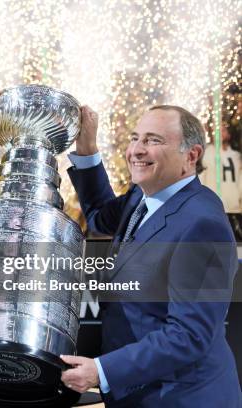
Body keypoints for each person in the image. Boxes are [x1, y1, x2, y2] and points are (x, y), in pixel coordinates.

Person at [60, 105, 241, 407]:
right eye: (135, 138)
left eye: (153, 140)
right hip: (139, 393)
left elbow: (188, 335)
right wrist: (87, 148)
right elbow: (99, 217)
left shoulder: (202, 223)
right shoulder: (143, 197)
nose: (136, 151)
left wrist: (101, 371)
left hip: (181, 398)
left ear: (191, 156)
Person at [200, 120, 242, 240]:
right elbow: (202, 177)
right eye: (216, 130)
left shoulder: (236, 156)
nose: (219, 133)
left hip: (234, 207)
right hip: (214, 207)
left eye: (223, 130)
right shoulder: (207, 153)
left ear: (229, 133)